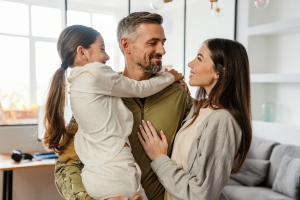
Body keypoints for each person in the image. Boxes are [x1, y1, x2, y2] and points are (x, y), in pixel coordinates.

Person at [52, 12, 193, 200]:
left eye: (163, 42)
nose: (162, 50)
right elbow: (66, 165)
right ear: (126, 45)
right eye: (152, 43)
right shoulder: (96, 96)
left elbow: (203, 153)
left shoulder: (178, 94)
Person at [138, 38, 252, 200]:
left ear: (218, 72)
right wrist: (172, 85)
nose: (190, 64)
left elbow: (202, 193)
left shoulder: (223, 120)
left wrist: (159, 158)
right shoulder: (200, 109)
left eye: (199, 58)